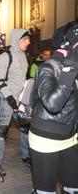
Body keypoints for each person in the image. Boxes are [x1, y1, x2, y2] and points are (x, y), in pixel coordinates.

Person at [30, 21, 78, 194]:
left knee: (73, 188)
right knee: (46, 191)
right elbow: (52, 104)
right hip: (46, 139)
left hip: (71, 137)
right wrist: (69, 72)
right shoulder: (48, 67)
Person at [0, 29, 31, 176]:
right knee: (1, 131)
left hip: (21, 101)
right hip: (7, 100)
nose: (28, 42)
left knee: (25, 128)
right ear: (17, 39)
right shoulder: (5, 57)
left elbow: (24, 79)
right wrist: (11, 100)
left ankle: (26, 157)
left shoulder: (24, 56)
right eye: (25, 40)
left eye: (28, 40)